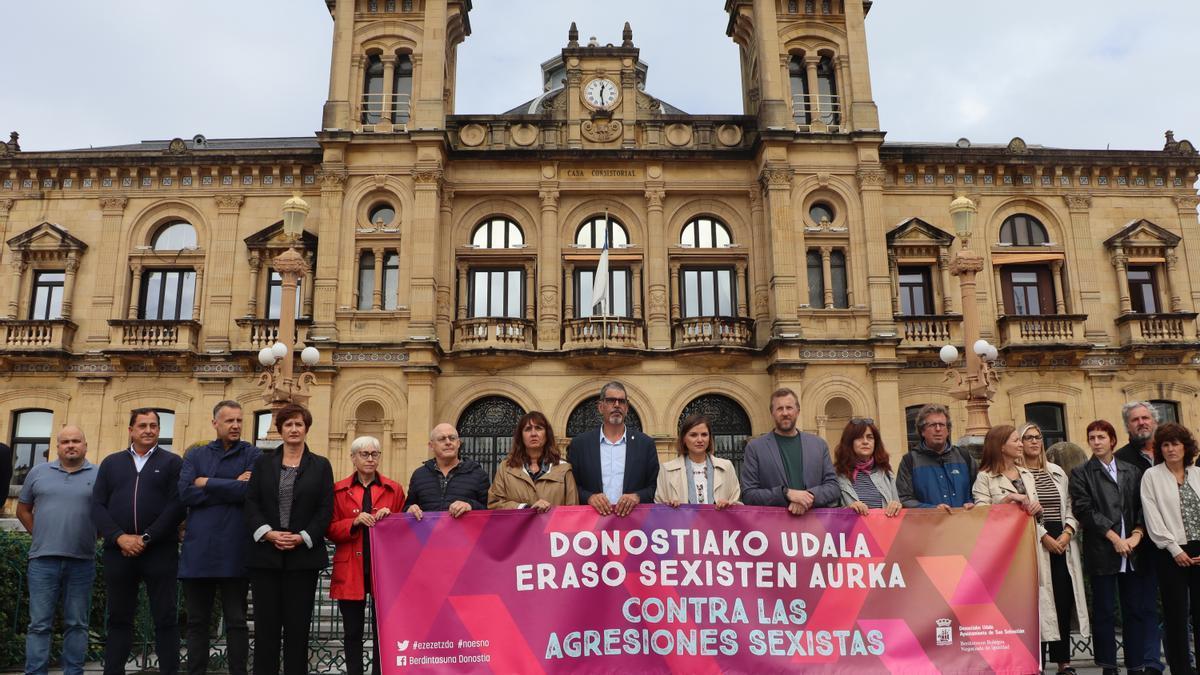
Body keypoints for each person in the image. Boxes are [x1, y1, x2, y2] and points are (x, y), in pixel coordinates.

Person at [91, 409, 185, 675]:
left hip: (159, 551)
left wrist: (146, 537)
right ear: (131, 429)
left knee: (165, 618)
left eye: (154, 425)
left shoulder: (172, 463)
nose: (148, 430)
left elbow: (177, 505)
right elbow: (97, 505)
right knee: (119, 618)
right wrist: (119, 537)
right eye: (142, 425)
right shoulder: (111, 463)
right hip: (118, 552)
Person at [244, 403, 334, 675]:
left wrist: (302, 536)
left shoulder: (321, 465)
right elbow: (251, 502)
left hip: (302, 559)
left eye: (299, 424)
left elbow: (325, 508)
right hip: (266, 559)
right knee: (265, 630)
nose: (294, 429)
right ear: (280, 429)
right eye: (288, 424)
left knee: (298, 630)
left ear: (306, 428)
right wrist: (268, 533)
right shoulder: (262, 462)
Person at [1070, 420, 1161, 675]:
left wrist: (1136, 534)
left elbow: (1144, 506)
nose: (1096, 442)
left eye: (1101, 437)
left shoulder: (1131, 471)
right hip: (1103, 551)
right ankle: (1108, 666)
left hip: (1133, 551)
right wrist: (1115, 538)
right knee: (1104, 612)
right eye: (1092, 438)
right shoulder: (1081, 473)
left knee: (1135, 610)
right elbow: (1084, 510)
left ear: (1112, 440)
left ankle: (1136, 664)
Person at [178, 401, 261, 675]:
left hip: (235, 549)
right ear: (215, 423)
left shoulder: (253, 454)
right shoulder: (196, 455)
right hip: (198, 549)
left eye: (239, 420)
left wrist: (207, 482)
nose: (236, 425)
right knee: (197, 622)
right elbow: (185, 493)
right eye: (229, 421)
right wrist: (232, 483)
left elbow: (249, 492)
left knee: (237, 621)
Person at [16, 425, 96, 675]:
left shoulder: (99, 474)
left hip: (82, 561)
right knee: (39, 625)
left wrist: (92, 536)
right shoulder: (38, 472)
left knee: (77, 624)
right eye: (65, 442)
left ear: (85, 445)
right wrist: (39, 534)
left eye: (76, 441)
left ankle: (73, 672)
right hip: (42, 561)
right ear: (57, 446)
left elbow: (107, 514)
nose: (70, 445)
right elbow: (23, 510)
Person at [328, 436, 406, 675]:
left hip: (384, 569)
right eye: (365, 454)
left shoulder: (394, 489)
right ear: (353, 458)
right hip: (351, 567)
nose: (371, 459)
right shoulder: (338, 490)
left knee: (383, 630)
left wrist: (391, 517)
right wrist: (354, 521)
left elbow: (406, 529)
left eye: (375, 454)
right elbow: (329, 528)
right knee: (352, 632)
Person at [1016, 422, 1090, 675]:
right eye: (1028, 438)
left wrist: (1068, 531)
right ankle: (1036, 662)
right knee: (1037, 604)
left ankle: (1063, 662)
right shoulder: (1017, 474)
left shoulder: (1057, 471)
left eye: (1038, 437)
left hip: (1063, 542)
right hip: (1034, 542)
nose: (1034, 442)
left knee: (1062, 600)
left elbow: (1071, 503)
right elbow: (1018, 513)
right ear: (1020, 443)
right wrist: (1043, 535)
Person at [1140, 422, 1200, 675]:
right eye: (1165, 444)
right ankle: (1181, 669)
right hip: (1170, 553)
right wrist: (1174, 550)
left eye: (1175, 444)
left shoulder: (1198, 473)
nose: (1171, 449)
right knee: (1175, 617)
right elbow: (1153, 517)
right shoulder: (1151, 476)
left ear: (1186, 447)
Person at [740, 388, 839, 515]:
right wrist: (786, 494)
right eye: (780, 408)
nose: (785, 413)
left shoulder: (819, 445)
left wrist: (807, 497)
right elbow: (749, 494)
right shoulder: (755, 448)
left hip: (816, 526)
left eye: (789, 407)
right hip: (773, 527)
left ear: (798, 411)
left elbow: (833, 487)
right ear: (772, 413)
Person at [568, 382, 660, 517]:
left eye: (621, 401)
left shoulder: (645, 444)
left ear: (627, 408)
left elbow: (655, 486)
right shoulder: (580, 444)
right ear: (600, 407)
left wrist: (637, 496)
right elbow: (571, 485)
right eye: (611, 400)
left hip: (634, 525)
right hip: (591, 525)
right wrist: (589, 497)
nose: (617, 405)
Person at [489, 411, 578, 511]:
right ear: (521, 436)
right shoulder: (505, 468)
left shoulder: (564, 469)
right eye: (527, 429)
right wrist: (524, 508)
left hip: (553, 526)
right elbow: (494, 503)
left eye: (539, 428)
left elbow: (573, 511)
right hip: (519, 526)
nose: (533, 434)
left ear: (547, 434)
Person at [896, 403, 977, 512]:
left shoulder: (964, 457)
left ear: (948, 430)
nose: (938, 429)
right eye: (932, 425)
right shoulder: (910, 461)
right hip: (928, 526)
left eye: (942, 425)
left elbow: (979, 492)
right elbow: (904, 499)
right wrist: (933, 510)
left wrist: (972, 502)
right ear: (922, 431)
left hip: (963, 524)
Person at [405, 423, 489, 520]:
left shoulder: (478, 474)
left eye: (452, 438)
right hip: (427, 534)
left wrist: (470, 506)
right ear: (431, 446)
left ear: (458, 443)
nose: (448, 442)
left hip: (464, 534)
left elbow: (490, 511)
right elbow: (407, 508)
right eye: (442, 439)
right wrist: (410, 509)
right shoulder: (419, 475)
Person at [656, 414, 740, 509]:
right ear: (684, 439)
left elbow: (737, 506)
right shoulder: (667, 470)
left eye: (704, 434)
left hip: (718, 523)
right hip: (681, 523)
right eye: (693, 435)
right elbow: (658, 508)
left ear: (709, 438)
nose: (700, 440)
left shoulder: (726, 467)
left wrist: (729, 504)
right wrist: (669, 506)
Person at [832, 418, 901, 517]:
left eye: (870, 437)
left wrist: (896, 506)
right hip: (852, 531)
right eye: (859, 437)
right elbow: (828, 513)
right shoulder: (837, 474)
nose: (865, 442)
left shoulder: (886, 474)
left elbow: (898, 511)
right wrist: (847, 510)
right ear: (849, 442)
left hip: (883, 531)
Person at [1117, 401, 1158, 472]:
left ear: (1155, 421)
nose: (1141, 423)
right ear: (1127, 426)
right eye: (1135, 420)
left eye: (1145, 418)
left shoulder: (1169, 450)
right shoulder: (1119, 459)